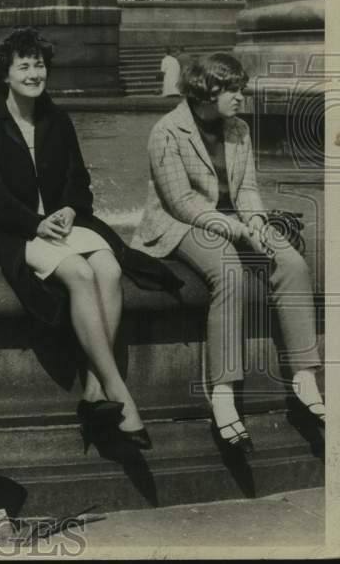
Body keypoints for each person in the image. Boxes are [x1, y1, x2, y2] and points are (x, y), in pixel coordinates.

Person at [0, 27, 181, 450]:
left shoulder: (57, 119)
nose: (34, 73)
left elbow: (79, 181)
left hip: (63, 222)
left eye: (39, 64)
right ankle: (116, 390)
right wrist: (35, 223)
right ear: (4, 75)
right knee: (80, 273)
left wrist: (67, 209)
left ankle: (93, 394)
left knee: (109, 267)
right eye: (23, 66)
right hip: (11, 231)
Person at [132, 53, 325, 453]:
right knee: (228, 271)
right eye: (231, 90)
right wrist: (237, 228)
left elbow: (247, 190)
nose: (240, 97)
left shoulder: (238, 129)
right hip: (178, 226)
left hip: (232, 221)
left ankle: (304, 374)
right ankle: (223, 393)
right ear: (206, 92)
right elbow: (181, 202)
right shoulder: (167, 131)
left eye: (241, 89)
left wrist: (255, 221)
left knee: (290, 261)